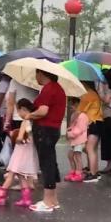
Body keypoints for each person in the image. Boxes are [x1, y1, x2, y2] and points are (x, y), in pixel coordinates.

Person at [25, 69, 66, 213]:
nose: (35, 77)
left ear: (42, 74)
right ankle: (53, 199)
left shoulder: (49, 89)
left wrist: (29, 115)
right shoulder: (57, 88)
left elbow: (43, 111)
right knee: (50, 161)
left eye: (36, 73)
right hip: (52, 130)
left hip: (45, 130)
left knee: (46, 163)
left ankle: (48, 201)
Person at [0, 99, 39, 206]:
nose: (18, 113)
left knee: (11, 173)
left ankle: (0, 197)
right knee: (21, 175)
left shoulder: (25, 122)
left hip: (20, 152)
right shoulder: (34, 122)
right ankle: (26, 199)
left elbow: (20, 139)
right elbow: (30, 138)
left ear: (23, 109)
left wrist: (13, 135)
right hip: (28, 152)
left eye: (18, 111)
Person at [78, 81, 103, 182]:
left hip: (93, 122)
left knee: (89, 148)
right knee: (92, 149)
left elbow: (79, 111)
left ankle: (93, 174)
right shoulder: (93, 93)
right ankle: (94, 171)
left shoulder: (88, 94)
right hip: (97, 122)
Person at [64, 97, 89, 183]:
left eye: (73, 104)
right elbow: (73, 126)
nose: (71, 106)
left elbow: (80, 129)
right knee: (70, 155)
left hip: (79, 140)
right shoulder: (74, 115)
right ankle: (73, 171)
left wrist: (70, 134)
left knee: (77, 156)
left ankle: (79, 173)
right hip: (74, 140)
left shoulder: (82, 116)